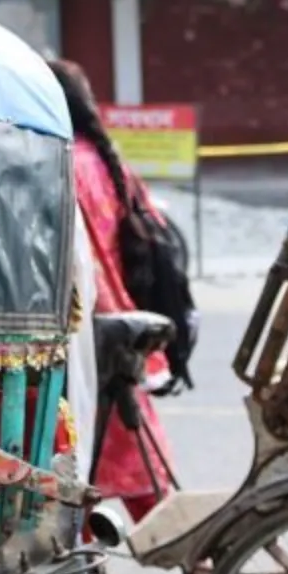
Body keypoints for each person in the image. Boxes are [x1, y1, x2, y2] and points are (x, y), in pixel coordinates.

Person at [50, 59, 183, 522]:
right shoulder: (108, 163)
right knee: (142, 474)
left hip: (87, 336)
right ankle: (187, 554)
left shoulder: (59, 165)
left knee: (71, 464)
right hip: (122, 327)